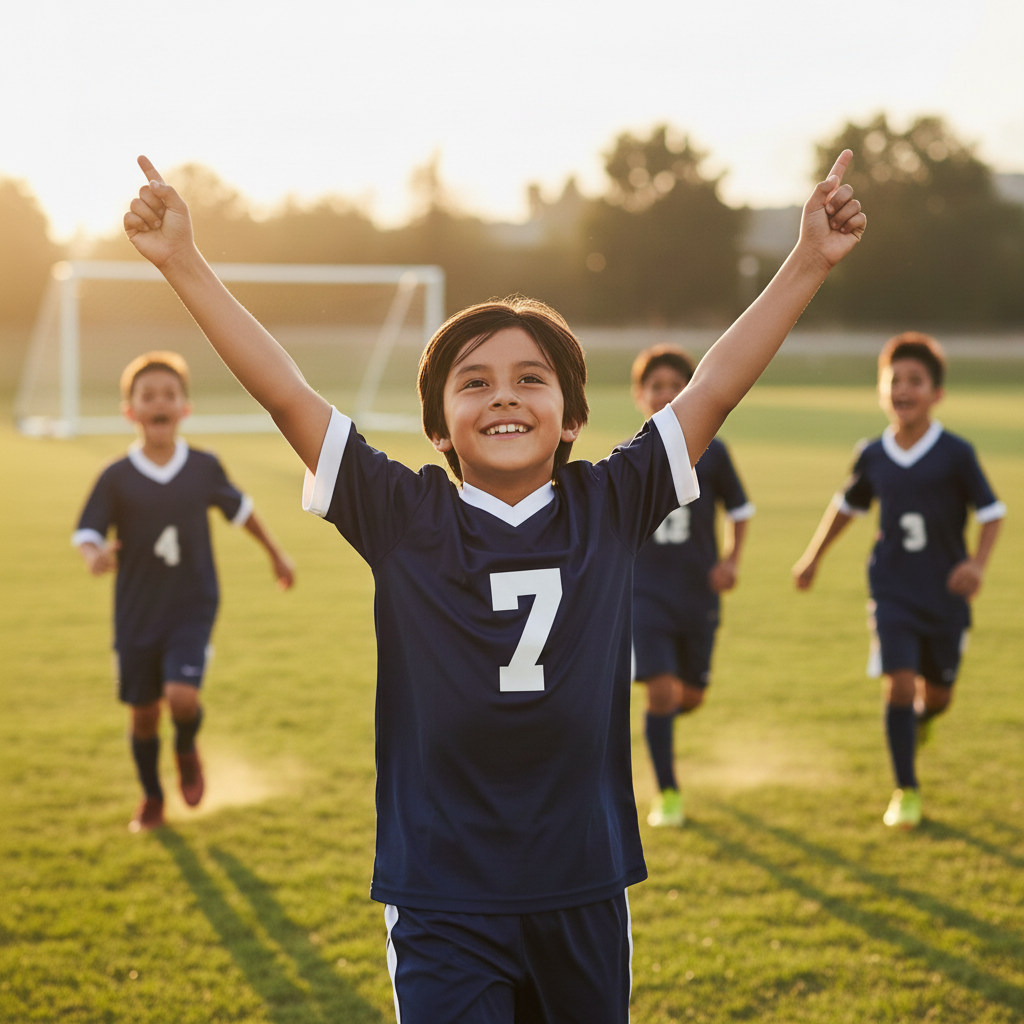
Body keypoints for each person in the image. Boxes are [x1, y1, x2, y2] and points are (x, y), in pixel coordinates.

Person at [123, 150, 863, 1022]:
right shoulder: (401, 513)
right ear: (439, 425)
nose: (502, 398)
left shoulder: (614, 500)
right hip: (443, 891)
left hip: (581, 880)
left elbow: (714, 387)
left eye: (529, 380)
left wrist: (809, 260)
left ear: (573, 416)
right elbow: (287, 392)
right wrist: (184, 263)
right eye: (473, 383)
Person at [73, 351, 295, 832]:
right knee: (144, 715)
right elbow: (87, 532)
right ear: (129, 410)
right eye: (147, 395)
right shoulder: (115, 476)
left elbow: (243, 511)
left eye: (168, 395)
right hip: (136, 612)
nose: (159, 402)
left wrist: (276, 554)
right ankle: (152, 798)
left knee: (181, 698)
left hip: (192, 604)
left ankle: (187, 748)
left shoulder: (203, 466)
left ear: (184, 408)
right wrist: (95, 556)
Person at [792, 333, 1004, 830]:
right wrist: (812, 557)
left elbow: (993, 513)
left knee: (939, 695)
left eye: (916, 380)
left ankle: (924, 721)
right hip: (892, 591)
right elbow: (848, 508)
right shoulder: (873, 454)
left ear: (937, 393)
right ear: (882, 389)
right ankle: (905, 789)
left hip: (945, 597)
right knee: (899, 683)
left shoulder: (955, 453)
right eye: (895, 380)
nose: (904, 389)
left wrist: (976, 564)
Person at [630, 344, 754, 827]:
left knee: (689, 697)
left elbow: (741, 510)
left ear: (691, 391)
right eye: (656, 387)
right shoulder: (632, 455)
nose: (666, 395)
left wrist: (732, 560)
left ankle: (655, 731)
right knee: (660, 692)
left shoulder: (715, 453)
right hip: (645, 595)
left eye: (676, 386)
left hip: (697, 594)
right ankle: (668, 794)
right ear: (640, 396)